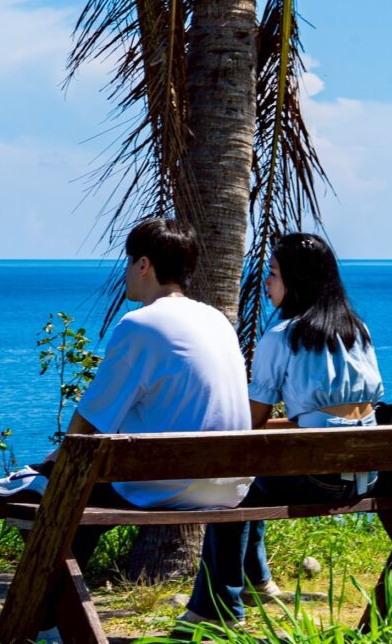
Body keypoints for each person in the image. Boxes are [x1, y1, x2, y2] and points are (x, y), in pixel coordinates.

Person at [181, 232, 384, 627]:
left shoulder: (282, 336)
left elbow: (251, 421)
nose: (266, 283)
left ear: (298, 281)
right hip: (365, 476)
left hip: (319, 478)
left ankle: (216, 610)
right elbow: (330, 417)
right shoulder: (357, 331)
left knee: (231, 492)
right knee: (257, 472)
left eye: (273, 274)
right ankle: (256, 581)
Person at [58, 218, 254, 569]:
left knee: (65, 494)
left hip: (171, 485)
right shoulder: (216, 320)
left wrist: (56, 466)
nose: (128, 272)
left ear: (144, 264)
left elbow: (90, 420)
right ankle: (55, 611)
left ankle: (47, 610)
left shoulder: (140, 324)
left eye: (130, 262)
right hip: (231, 485)